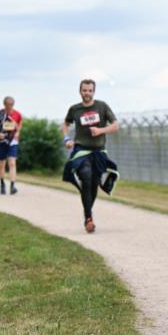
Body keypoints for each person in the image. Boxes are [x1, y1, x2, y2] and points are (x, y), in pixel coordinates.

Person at [61, 79, 119, 233]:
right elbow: (65, 124)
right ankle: (89, 218)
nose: (87, 93)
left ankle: (88, 213)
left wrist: (100, 131)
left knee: (94, 183)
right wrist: (66, 139)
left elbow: (115, 125)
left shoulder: (102, 106)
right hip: (81, 150)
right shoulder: (75, 109)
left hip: (98, 151)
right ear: (80, 91)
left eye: (90, 91)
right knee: (85, 176)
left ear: (94, 92)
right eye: (84, 90)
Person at [0, 96, 23, 195]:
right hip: (2, 141)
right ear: (4, 105)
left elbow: (20, 124)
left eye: (12, 106)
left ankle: (12, 186)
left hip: (13, 142)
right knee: (1, 164)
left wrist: (17, 132)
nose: (10, 108)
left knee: (12, 162)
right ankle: (2, 185)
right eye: (8, 106)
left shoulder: (17, 114)